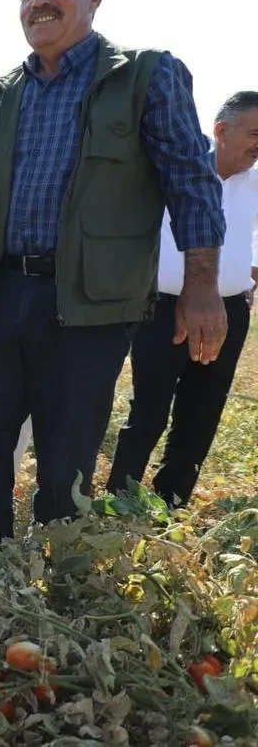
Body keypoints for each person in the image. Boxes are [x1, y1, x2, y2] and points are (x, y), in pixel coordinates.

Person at [0, 0, 227, 555]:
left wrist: (201, 285)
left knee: (65, 463)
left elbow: (191, 180)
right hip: (0, 294)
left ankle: (56, 588)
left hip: (92, 305)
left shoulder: (145, 75)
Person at [107, 91, 258, 507]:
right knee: (149, 411)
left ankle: (171, 504)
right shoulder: (177, 171)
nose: (257, 146)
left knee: (202, 411)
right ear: (222, 131)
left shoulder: (255, 180)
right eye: (254, 134)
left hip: (228, 312)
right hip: (163, 308)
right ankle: (120, 501)